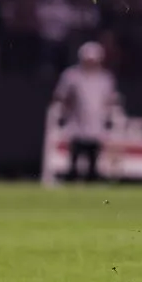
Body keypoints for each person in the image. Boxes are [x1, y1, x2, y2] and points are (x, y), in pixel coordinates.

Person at [52, 41, 120, 182]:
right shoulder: (71, 75)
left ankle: (93, 175)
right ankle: (72, 174)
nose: (90, 62)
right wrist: (68, 107)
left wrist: (107, 114)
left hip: (97, 121)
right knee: (76, 149)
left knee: (93, 151)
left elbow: (111, 98)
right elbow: (61, 95)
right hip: (76, 119)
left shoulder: (106, 78)